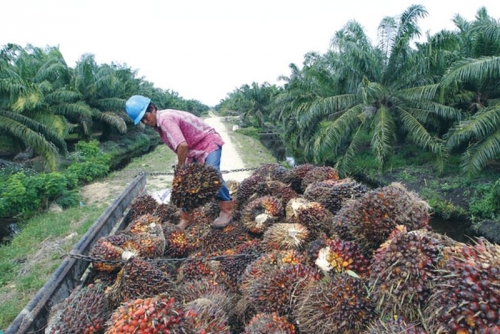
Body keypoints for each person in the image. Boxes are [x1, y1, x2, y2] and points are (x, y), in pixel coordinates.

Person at [125, 95, 236, 230]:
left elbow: (182, 145)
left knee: (212, 175)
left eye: (145, 117)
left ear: (153, 109)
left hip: (207, 141)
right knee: (184, 184)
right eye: (142, 120)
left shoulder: (165, 119)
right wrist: (183, 173)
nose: (145, 121)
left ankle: (227, 210)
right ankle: (187, 217)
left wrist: (181, 168)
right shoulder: (159, 124)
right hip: (194, 149)